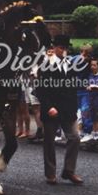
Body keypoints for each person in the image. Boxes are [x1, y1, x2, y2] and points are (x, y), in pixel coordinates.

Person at [33, 35, 84, 185]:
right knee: (49, 142)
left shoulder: (70, 64)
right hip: (52, 110)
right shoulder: (45, 65)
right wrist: (48, 107)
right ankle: (50, 174)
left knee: (74, 137)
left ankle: (69, 171)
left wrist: (74, 108)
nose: (64, 51)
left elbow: (73, 88)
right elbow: (40, 89)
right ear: (54, 48)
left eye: (66, 48)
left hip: (68, 110)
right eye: (61, 48)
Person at [79, 57, 98, 144]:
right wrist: (88, 87)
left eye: (94, 65)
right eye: (91, 65)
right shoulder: (90, 75)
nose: (92, 67)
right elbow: (88, 85)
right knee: (93, 118)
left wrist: (95, 86)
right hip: (91, 99)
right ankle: (94, 135)